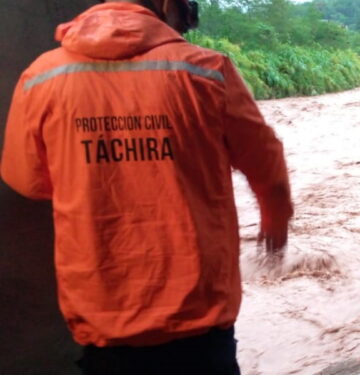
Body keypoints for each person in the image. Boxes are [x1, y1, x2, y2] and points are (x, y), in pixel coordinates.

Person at [0, 0, 293, 373]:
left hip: (101, 309)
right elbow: (265, 159)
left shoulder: (41, 76)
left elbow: (26, 181)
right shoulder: (206, 70)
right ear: (168, 5)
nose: (185, 29)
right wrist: (275, 216)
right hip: (198, 310)